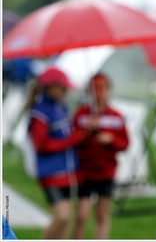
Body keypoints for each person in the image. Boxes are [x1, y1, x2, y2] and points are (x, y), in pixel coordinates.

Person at [27, 66, 87, 239]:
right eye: (63, 88)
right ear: (51, 87)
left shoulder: (61, 106)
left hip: (67, 171)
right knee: (63, 216)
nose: (65, 91)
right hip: (51, 172)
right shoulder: (40, 111)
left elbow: (67, 133)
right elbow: (41, 145)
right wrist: (71, 140)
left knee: (65, 220)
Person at [72, 73, 129, 239]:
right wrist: (86, 132)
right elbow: (72, 139)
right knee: (81, 216)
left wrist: (111, 140)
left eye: (102, 88)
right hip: (85, 172)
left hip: (106, 172)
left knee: (102, 216)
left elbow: (124, 144)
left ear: (108, 90)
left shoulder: (116, 116)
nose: (98, 92)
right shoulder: (82, 114)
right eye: (94, 88)